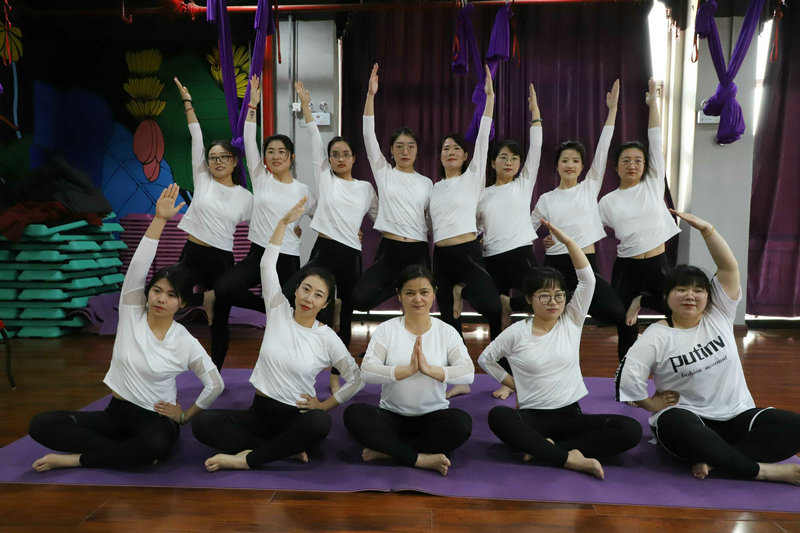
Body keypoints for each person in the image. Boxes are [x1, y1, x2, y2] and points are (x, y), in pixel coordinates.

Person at [29, 185, 224, 471]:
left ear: (182, 303)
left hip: (156, 420)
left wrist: (184, 416)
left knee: (154, 445)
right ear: (149, 292)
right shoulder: (133, 313)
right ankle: (128, 454)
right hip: (115, 415)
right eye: (157, 290)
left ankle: (77, 460)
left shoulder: (185, 341)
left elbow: (215, 384)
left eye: (171, 295)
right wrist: (160, 220)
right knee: (41, 424)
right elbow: (138, 267)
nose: (161, 299)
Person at [616, 210, 800, 485]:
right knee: (672, 425)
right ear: (667, 297)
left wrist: (707, 231)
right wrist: (650, 403)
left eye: (698, 290)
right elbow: (627, 377)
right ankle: (761, 471)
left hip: (738, 416)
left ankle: (715, 461)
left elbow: (729, 267)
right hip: (689, 420)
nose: (690, 295)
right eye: (681, 290)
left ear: (708, 296)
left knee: (795, 427)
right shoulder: (656, 335)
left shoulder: (719, 314)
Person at [191, 198, 363, 471]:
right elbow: (266, 266)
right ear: (296, 290)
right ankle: (283, 451)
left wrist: (323, 405)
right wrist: (283, 223)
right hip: (259, 413)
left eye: (318, 295)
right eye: (305, 289)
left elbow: (355, 379)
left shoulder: (327, 337)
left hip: (297, 417)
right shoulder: (278, 311)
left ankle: (247, 460)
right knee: (202, 423)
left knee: (320, 423)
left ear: (325, 304)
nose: (309, 298)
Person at [479, 219, 641, 480]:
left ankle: (550, 451)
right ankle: (569, 458)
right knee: (499, 416)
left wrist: (568, 242)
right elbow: (486, 359)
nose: (553, 302)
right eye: (544, 296)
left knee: (630, 429)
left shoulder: (571, 321)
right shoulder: (517, 332)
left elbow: (587, 279)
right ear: (529, 299)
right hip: (532, 419)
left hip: (571, 416)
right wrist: (515, 384)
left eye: (559, 295)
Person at [210, 74, 316, 370]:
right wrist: (252, 106)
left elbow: (323, 218)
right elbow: (249, 140)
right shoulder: (261, 178)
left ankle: (292, 368)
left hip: (287, 259)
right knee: (224, 289)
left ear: (291, 157)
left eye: (281, 152)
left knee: (289, 324)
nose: (275, 156)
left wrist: (351, 229)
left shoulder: (304, 191)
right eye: (270, 151)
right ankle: (269, 309)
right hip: (258, 254)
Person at [285, 80, 378, 393]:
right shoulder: (325, 178)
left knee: (347, 312)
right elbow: (315, 137)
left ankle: (337, 374)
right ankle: (300, 361)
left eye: (345, 154)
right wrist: (305, 105)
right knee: (292, 294)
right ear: (328, 160)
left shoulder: (365, 188)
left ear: (353, 158)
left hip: (350, 254)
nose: (340, 158)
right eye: (335, 154)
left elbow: (382, 218)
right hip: (324, 250)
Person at [343, 265, 475, 476]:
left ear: (434, 294)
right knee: (354, 414)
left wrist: (429, 370)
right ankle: (419, 458)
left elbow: (468, 372)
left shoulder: (447, 332)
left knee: (461, 424)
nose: (417, 299)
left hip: (433, 416)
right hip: (391, 416)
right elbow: (367, 371)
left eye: (424, 292)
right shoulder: (386, 330)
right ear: (399, 295)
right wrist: (406, 371)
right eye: (410, 293)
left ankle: (389, 451)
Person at [531, 79, 627, 359]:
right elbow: (525, 229)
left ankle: (626, 370)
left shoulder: (589, 187)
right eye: (564, 160)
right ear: (557, 166)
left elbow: (604, 147)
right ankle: (548, 364)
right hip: (555, 266)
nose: (570, 165)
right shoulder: (546, 199)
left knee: (616, 312)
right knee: (553, 324)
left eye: (575, 160)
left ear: (583, 166)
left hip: (585, 262)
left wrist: (612, 111)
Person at [465, 82, 542, 399]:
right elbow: (472, 227)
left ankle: (534, 370)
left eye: (514, 158)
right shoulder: (481, 194)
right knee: (495, 317)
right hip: (492, 259)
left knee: (538, 306)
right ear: (493, 162)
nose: (509, 162)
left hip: (522, 255)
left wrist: (535, 114)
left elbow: (537, 149)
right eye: (503, 157)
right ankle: (506, 379)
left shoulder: (523, 184)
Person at [598, 78, 680, 360]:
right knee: (624, 325)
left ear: (645, 165)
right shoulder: (607, 201)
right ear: (616, 166)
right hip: (627, 268)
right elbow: (586, 230)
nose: (632, 165)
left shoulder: (653, 183)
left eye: (638, 160)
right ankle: (626, 378)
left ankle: (642, 301)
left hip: (657, 263)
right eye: (626, 160)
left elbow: (655, 139)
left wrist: (653, 103)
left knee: (675, 313)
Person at [172, 77, 253, 333]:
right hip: (193, 253)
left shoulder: (245, 197)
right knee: (169, 293)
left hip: (222, 258)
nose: (218, 162)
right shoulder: (203, 179)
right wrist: (187, 102)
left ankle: (279, 308)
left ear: (234, 161)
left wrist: (293, 228)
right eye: (213, 158)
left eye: (223, 157)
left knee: (221, 320)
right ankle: (205, 298)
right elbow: (196, 136)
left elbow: (264, 224)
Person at [351, 64, 433, 313]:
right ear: (391, 151)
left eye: (410, 146)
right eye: (399, 146)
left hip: (418, 249)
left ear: (417, 151)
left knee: (417, 307)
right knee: (360, 299)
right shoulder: (384, 172)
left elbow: (431, 219)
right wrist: (370, 95)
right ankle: (400, 286)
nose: (405, 151)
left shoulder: (426, 183)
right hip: (390, 249)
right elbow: (368, 135)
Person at [430, 66, 502, 345]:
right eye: (445, 148)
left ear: (465, 156)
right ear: (440, 156)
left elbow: (483, 138)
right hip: (441, 257)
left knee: (492, 306)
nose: (450, 152)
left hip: (467, 252)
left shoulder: (472, 177)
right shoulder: (433, 188)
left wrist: (490, 99)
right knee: (449, 319)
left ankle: (499, 359)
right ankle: (457, 364)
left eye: (456, 148)